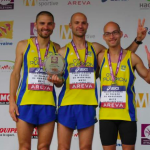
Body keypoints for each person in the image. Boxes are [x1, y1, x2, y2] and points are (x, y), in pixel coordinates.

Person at [48, 12, 146, 150]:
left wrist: (137, 41)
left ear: (87, 25)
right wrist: (55, 80)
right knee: (63, 147)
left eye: (83, 23)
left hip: (88, 105)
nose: (80, 26)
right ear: (70, 25)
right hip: (66, 104)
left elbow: (120, 57)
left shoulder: (96, 48)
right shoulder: (63, 52)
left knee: (86, 147)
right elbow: (59, 82)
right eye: (76, 23)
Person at [9, 11, 60, 150]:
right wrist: (12, 102)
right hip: (25, 103)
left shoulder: (57, 48)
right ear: (36, 25)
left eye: (49, 23)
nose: (46, 26)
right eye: (42, 23)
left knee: (44, 147)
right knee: (24, 147)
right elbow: (15, 74)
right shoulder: (23, 45)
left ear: (54, 26)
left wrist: (57, 80)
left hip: (48, 104)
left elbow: (60, 81)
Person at [98, 21, 150, 150]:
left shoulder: (132, 58)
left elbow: (148, 79)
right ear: (104, 37)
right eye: (108, 34)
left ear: (121, 34)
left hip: (127, 116)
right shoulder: (100, 57)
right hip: (106, 116)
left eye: (115, 32)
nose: (112, 36)